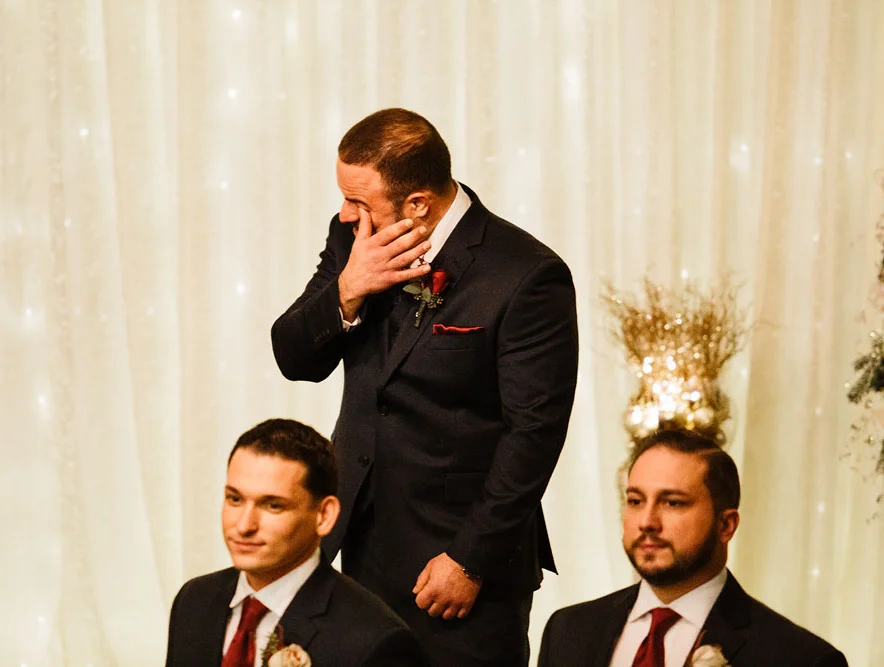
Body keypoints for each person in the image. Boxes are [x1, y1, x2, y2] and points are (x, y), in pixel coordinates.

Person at [271, 108, 580, 667]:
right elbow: (293, 357)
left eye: (359, 201)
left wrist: (469, 560)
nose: (345, 214)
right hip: (360, 549)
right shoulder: (353, 240)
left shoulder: (528, 275)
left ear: (418, 204)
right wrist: (348, 289)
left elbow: (534, 435)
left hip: (462, 569)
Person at [536, 429, 848, 667]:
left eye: (673, 503)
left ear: (726, 525)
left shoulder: (800, 659)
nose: (647, 521)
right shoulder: (568, 632)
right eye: (635, 500)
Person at [164, 418, 427, 667]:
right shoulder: (194, 601)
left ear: (324, 515)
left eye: (273, 505)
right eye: (235, 499)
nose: (244, 526)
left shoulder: (374, 640)